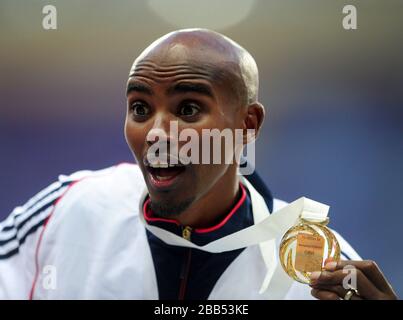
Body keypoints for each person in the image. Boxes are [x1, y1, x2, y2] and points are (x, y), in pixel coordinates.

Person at [0, 28, 397, 300]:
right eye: (140, 108)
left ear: (247, 124)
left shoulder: (319, 269)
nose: (156, 132)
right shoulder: (65, 211)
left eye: (188, 109)